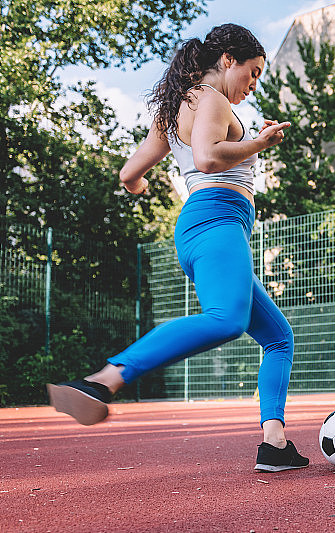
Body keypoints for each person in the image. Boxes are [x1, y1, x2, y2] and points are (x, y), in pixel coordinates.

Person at [46, 24, 309, 472]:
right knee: (226, 319)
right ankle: (102, 380)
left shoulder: (173, 110)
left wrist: (140, 184)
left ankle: (274, 444)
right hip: (217, 219)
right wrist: (259, 143)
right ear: (228, 60)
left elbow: (129, 173)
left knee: (277, 337)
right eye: (253, 73)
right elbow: (208, 159)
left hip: (204, 228)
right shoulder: (212, 98)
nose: (253, 84)